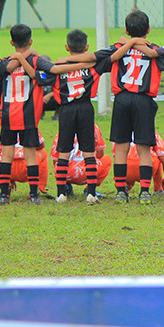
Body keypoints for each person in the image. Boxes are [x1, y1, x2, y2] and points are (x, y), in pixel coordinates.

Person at [59, 10, 164, 205]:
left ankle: (121, 191)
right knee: (144, 148)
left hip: (122, 100)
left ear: (127, 30)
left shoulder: (118, 48)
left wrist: (63, 61)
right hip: (143, 100)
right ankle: (145, 191)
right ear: (148, 30)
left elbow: (91, 57)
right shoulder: (153, 49)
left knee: (121, 147)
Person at [0, 24, 56, 205]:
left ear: (11, 42)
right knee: (30, 154)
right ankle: (33, 195)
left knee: (6, 154)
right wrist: (29, 54)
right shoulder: (35, 60)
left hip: (8, 114)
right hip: (28, 116)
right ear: (30, 41)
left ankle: (4, 196)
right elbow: (50, 73)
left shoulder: (4, 64)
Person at [46, 29, 105, 201]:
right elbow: (104, 57)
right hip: (85, 107)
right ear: (86, 47)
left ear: (66, 47)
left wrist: (65, 61)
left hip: (66, 110)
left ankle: (61, 193)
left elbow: (42, 75)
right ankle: (91, 193)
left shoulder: (56, 68)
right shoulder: (93, 65)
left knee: (63, 151)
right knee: (88, 150)